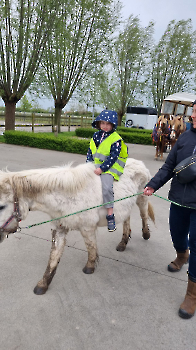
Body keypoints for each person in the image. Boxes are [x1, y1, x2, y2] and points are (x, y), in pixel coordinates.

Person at [143, 100, 196, 319]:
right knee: (176, 233)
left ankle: (192, 295)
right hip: (179, 199)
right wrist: (153, 184)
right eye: (195, 110)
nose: (194, 115)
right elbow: (168, 166)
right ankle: (182, 255)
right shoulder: (184, 138)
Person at [86, 110, 128, 232]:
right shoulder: (95, 136)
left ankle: (110, 215)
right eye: (102, 123)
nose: (105, 125)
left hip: (110, 168)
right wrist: (88, 166)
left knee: (106, 187)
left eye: (108, 123)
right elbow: (90, 152)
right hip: (95, 167)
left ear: (113, 125)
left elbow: (113, 157)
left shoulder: (116, 138)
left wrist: (102, 169)